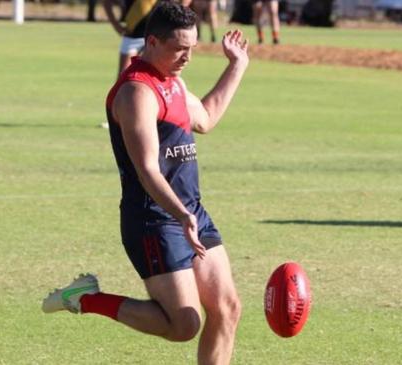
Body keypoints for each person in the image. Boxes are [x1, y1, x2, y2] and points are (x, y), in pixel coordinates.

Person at [42, 2, 249, 364]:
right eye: (179, 48)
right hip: (153, 219)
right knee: (184, 324)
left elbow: (208, 118)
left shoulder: (174, 81)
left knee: (228, 307)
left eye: (192, 49)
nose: (187, 57)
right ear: (152, 42)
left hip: (189, 210)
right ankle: (86, 298)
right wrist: (182, 216)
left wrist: (237, 66)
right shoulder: (137, 93)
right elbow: (147, 170)